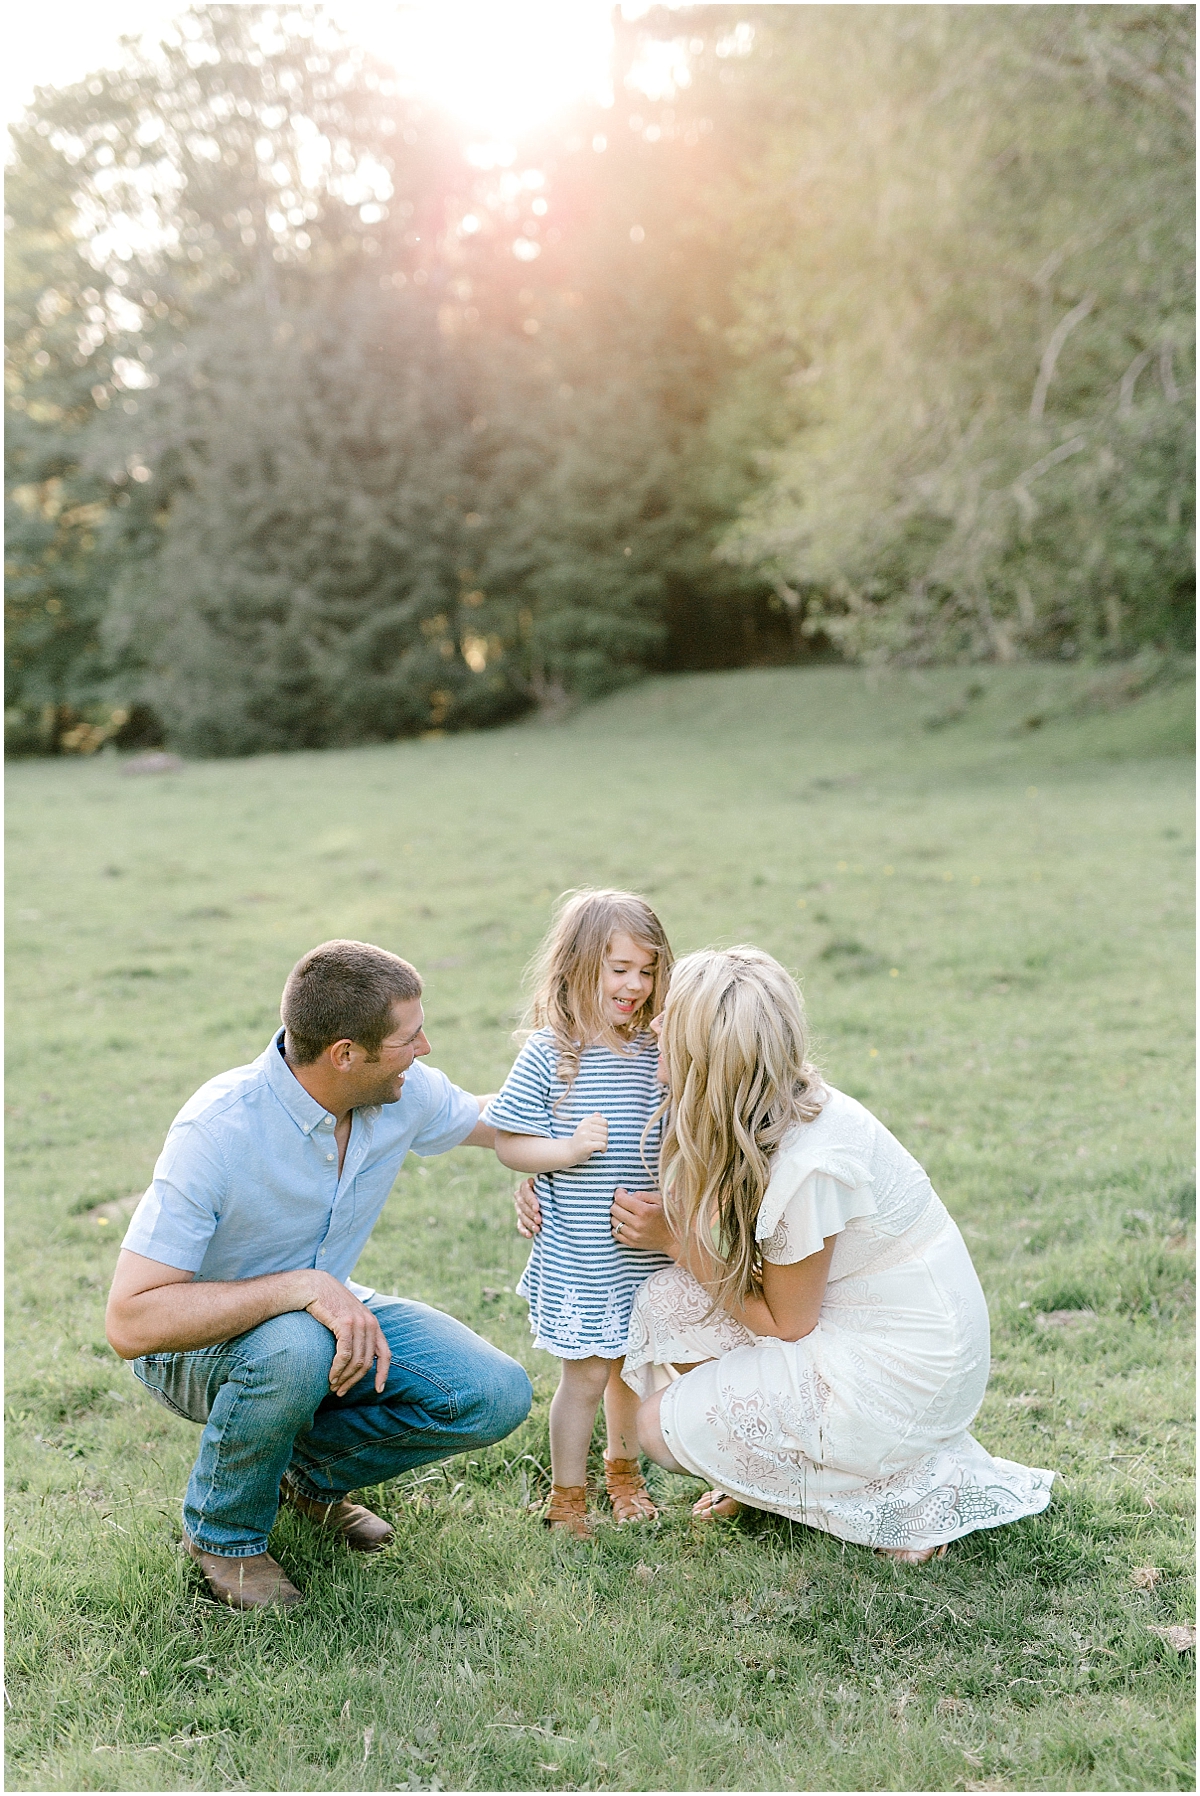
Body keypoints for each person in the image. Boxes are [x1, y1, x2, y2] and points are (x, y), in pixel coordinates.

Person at [519, 946, 1054, 1561]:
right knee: (666, 1301)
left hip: (904, 1367)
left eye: (672, 1015)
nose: (654, 1022)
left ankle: (896, 1500)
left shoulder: (811, 1163)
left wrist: (675, 1242)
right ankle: (778, 1474)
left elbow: (787, 1322)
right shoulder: (754, 1107)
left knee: (658, 1427)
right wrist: (543, 1177)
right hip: (857, 1327)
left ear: (707, 1053)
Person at [105, 939, 533, 1610]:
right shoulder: (218, 1129)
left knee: (493, 1391)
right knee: (295, 1347)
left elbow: (494, 1119)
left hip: (323, 1316)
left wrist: (593, 1112)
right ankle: (223, 1536)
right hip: (193, 1347)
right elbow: (131, 1322)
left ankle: (304, 1479)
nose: (425, 1050)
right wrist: (300, 1290)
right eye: (409, 1039)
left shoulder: (403, 1093)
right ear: (344, 1054)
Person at [486, 890, 675, 1537]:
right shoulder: (550, 1052)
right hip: (584, 1257)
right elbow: (509, 1140)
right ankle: (568, 1498)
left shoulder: (659, 1050)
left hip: (645, 1252)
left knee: (632, 1373)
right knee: (588, 1377)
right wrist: (562, 1152)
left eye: (647, 971)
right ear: (578, 967)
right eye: (619, 968)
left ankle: (625, 1476)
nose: (634, 985)